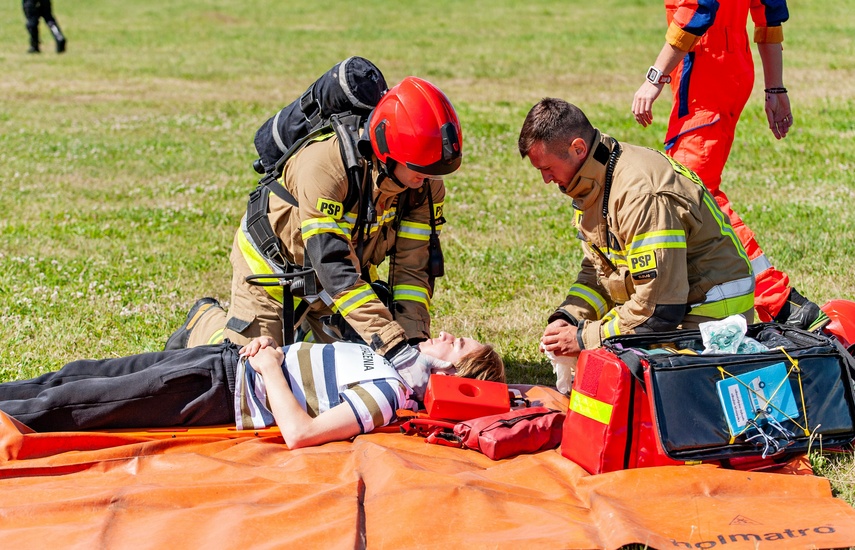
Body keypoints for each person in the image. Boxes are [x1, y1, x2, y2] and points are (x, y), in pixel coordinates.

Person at [166, 76, 462, 378]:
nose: (428, 179)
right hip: (275, 273)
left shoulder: (424, 186)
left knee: (370, 370)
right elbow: (332, 263)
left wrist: (412, 343)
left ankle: (306, 334)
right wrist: (393, 345)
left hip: (341, 279)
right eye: (421, 169)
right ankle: (205, 323)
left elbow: (413, 270)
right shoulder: (325, 167)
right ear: (387, 151)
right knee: (249, 372)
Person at [630, 0, 827, 332]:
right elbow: (770, 14)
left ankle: (781, 302)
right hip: (728, 72)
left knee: (693, 193)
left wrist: (655, 77)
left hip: (705, 79)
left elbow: (696, 10)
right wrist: (775, 87)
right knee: (689, 194)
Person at [518, 98, 755, 358]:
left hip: (711, 321)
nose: (546, 179)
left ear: (578, 148)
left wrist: (583, 338)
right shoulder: (596, 181)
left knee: (617, 374)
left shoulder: (641, 195)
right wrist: (569, 318)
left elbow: (659, 311)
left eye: (547, 168)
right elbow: (602, 272)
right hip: (672, 307)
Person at [0, 332, 504, 449]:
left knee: (68, 404)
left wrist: (267, 368)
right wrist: (271, 350)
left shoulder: (389, 396)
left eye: (458, 344)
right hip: (220, 361)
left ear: (452, 375)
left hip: (216, 389)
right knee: (74, 375)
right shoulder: (393, 365)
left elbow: (301, 433)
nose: (446, 334)